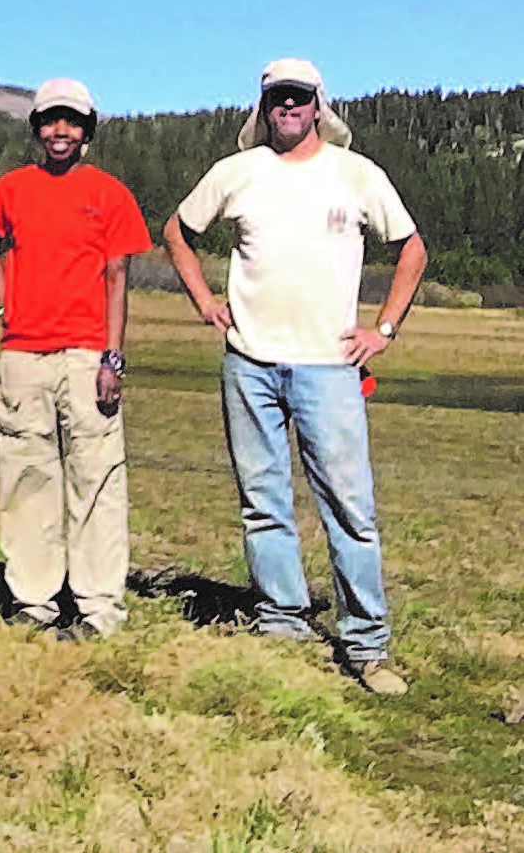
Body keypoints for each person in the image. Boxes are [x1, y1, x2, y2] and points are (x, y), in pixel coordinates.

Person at [164, 59, 426, 695]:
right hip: (249, 361)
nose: (288, 107)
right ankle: (282, 619)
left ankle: (367, 643)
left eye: (298, 97)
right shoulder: (238, 171)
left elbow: (412, 247)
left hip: (330, 367)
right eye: (277, 98)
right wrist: (204, 301)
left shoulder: (355, 174)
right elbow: (176, 230)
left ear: (317, 105)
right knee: (263, 501)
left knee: (350, 506)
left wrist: (382, 330)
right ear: (264, 106)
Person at [0, 79, 152, 639]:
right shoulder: (11, 188)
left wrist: (113, 359)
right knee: (28, 478)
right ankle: (34, 601)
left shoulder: (110, 193)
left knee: (96, 481)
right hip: (23, 355)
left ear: (87, 132)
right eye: (51, 121)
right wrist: (5, 300)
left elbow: (119, 276)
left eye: (72, 122)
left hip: (85, 356)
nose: (61, 132)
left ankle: (98, 607)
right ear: (36, 128)